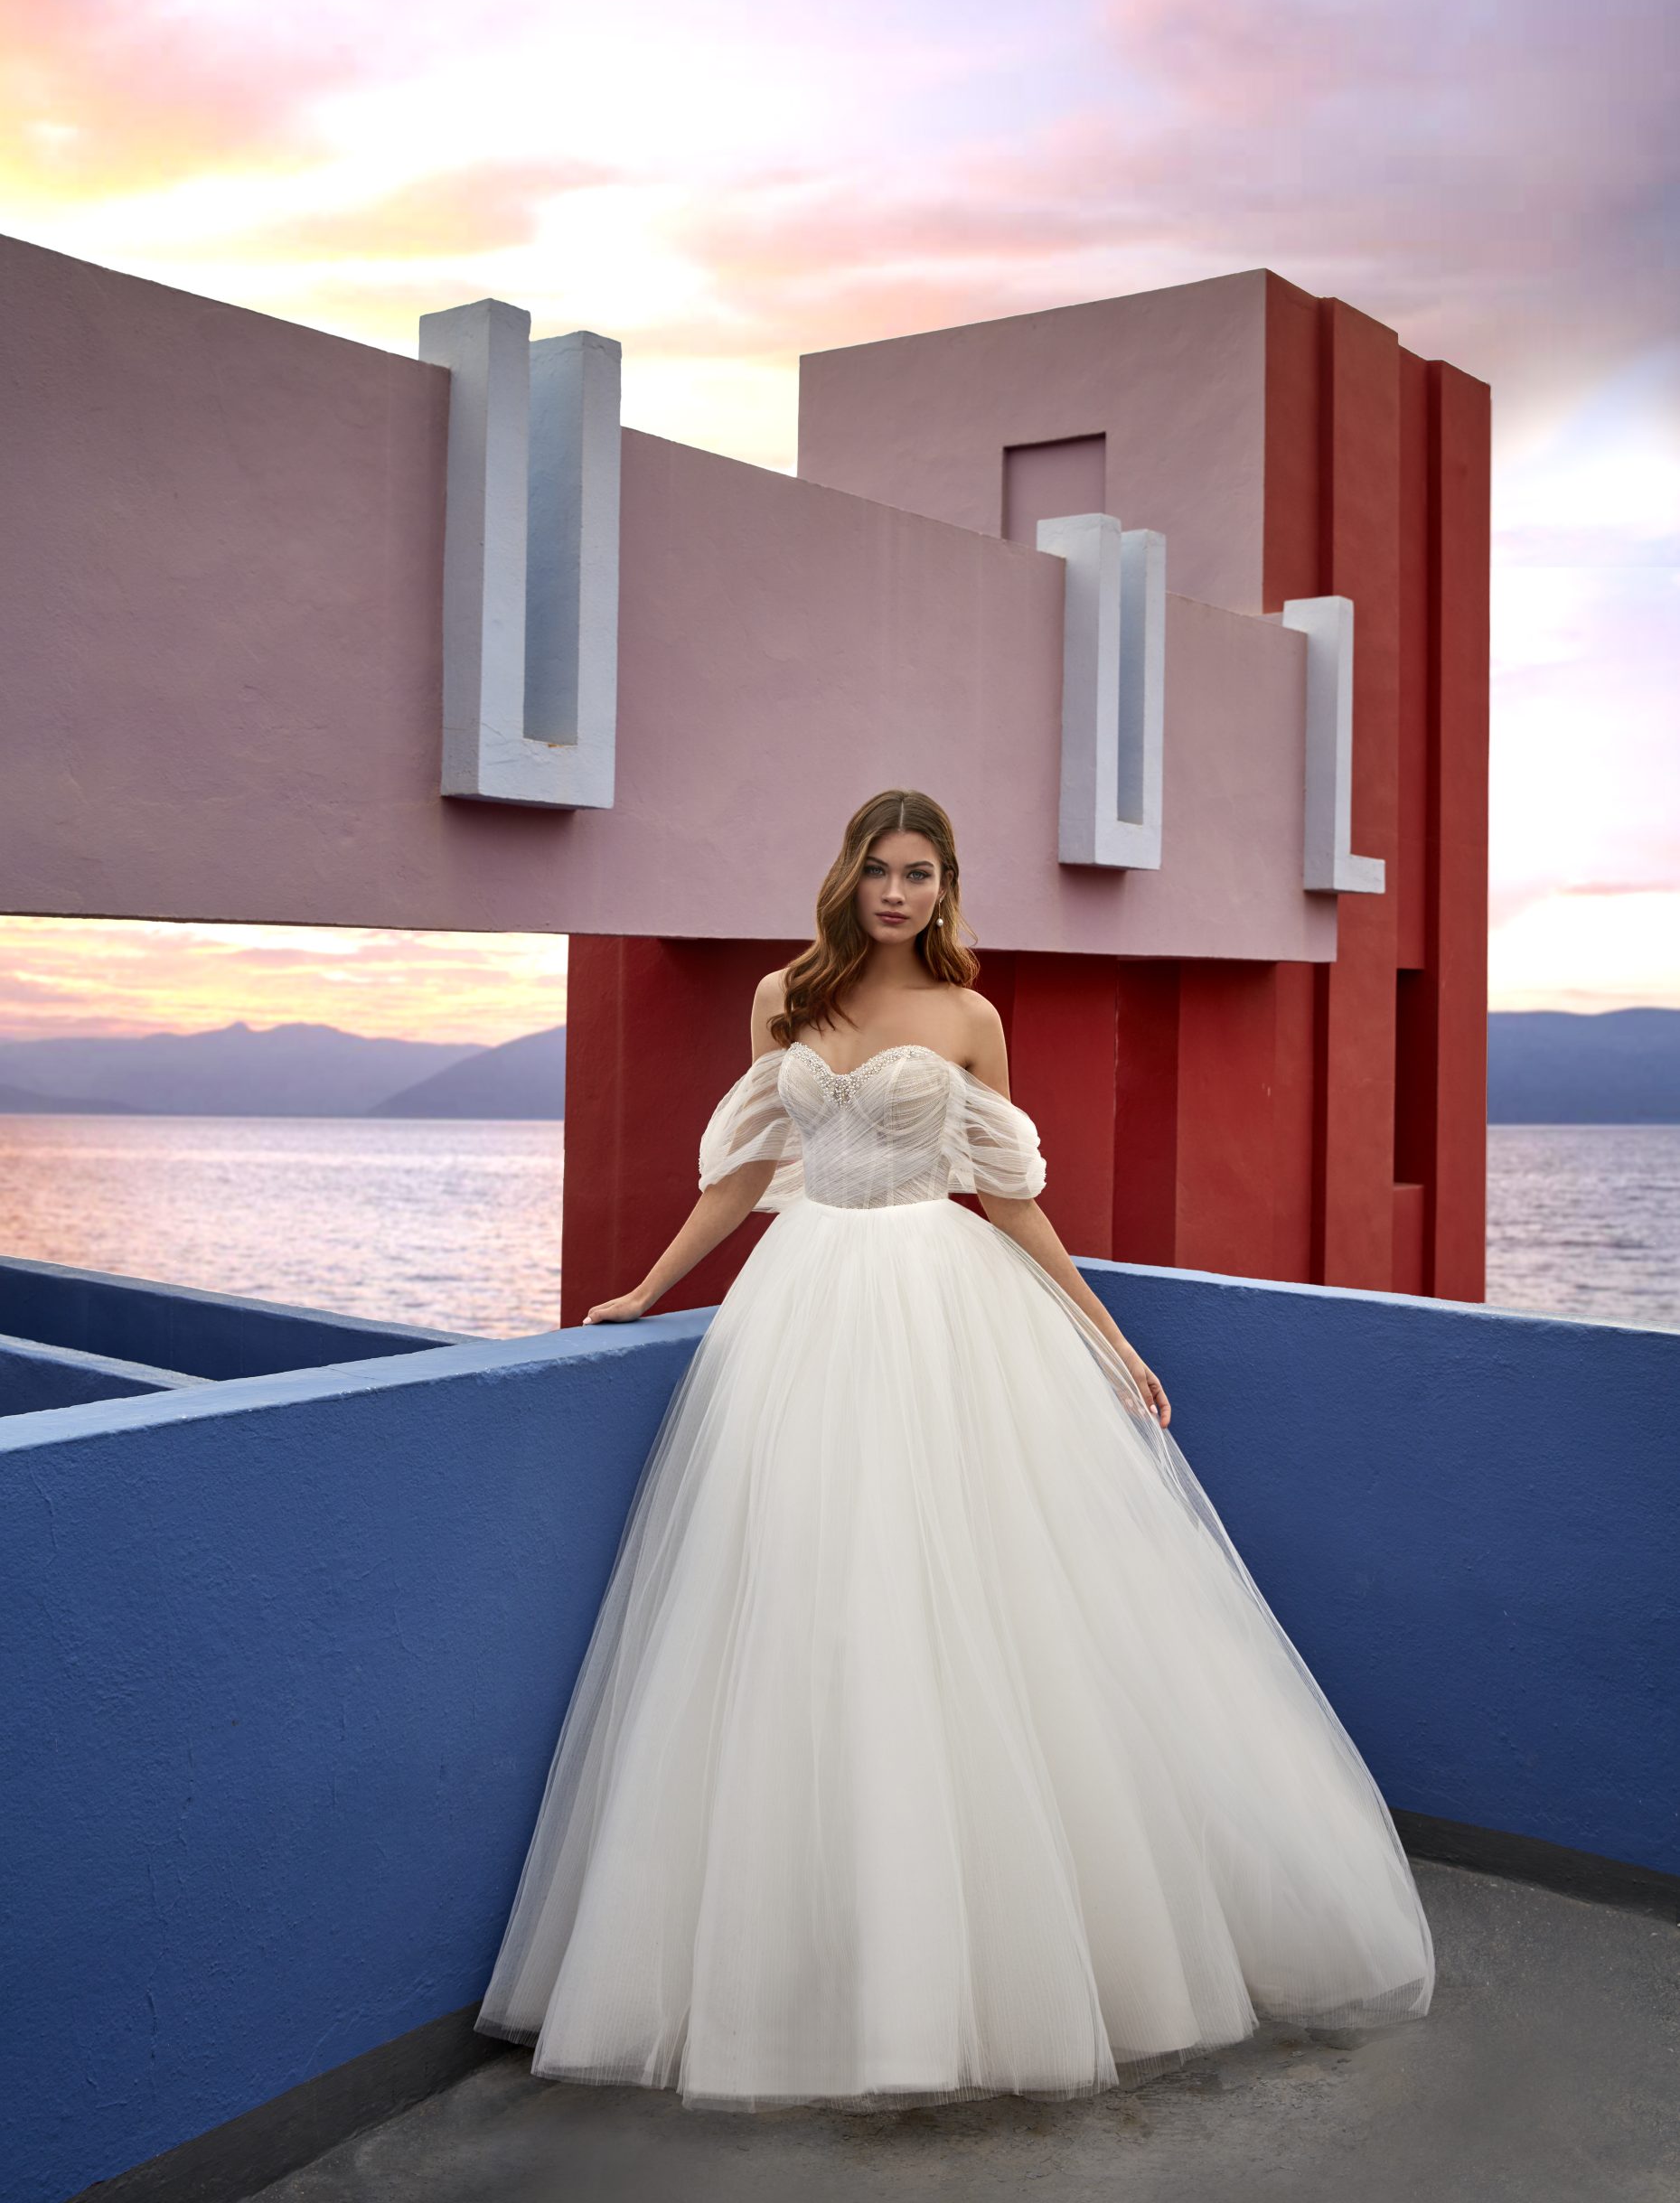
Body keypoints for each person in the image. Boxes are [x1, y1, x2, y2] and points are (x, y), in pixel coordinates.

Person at [474, 786, 1435, 2113]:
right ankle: (813, 1954)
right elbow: (745, 1175)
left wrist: (1106, 1335)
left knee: (965, 1603)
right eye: (878, 869)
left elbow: (1016, 1199)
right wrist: (647, 1292)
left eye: (920, 873)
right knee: (801, 1602)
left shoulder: (973, 1019)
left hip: (943, 1303)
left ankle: (975, 1968)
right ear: (848, 878)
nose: (897, 893)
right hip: (801, 1306)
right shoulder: (785, 1003)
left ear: (946, 888)